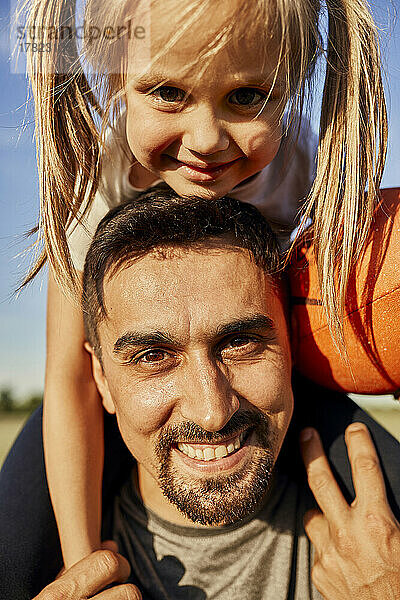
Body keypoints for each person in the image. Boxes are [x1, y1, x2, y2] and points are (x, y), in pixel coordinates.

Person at [21, 0, 387, 571]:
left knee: (384, 478)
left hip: (268, 382)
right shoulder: (94, 187)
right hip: (125, 410)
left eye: (246, 97)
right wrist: (82, 562)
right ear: (113, 79)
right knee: (15, 548)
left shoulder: (301, 171)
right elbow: (70, 379)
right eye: (167, 92)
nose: (207, 138)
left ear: (293, 82)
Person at [29, 192, 400, 599]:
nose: (212, 412)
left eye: (240, 342)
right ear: (101, 380)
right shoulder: (35, 570)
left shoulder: (385, 553)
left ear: (293, 344)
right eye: (153, 356)